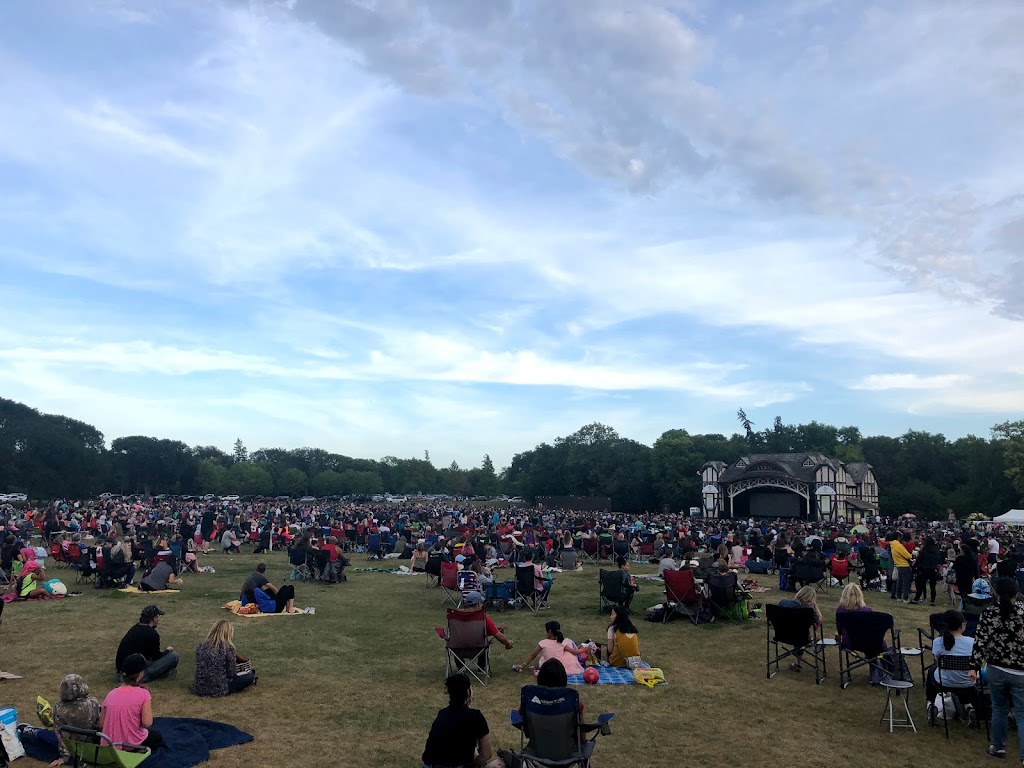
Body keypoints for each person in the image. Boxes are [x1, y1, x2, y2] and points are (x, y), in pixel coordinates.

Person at [970, 577, 1024, 760]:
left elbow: (980, 643)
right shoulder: (1023, 613)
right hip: (1020, 670)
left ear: (995, 592)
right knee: (1021, 714)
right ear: (1016, 594)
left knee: (999, 708)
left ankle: (999, 747)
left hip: (996, 668)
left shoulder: (988, 614)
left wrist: (974, 666)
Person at [421, 672, 498, 768]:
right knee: (499, 764)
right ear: (468, 691)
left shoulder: (442, 714)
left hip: (429, 765)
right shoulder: (475, 716)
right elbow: (486, 754)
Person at [924, 609, 977, 726]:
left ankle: (930, 703)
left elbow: (937, 660)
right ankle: (968, 706)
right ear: (962, 625)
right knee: (961, 678)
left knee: (932, 670)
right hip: (968, 682)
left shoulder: (938, 642)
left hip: (944, 682)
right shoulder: (973, 642)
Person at [101, 653, 165, 750]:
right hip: (131, 744)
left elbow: (102, 723)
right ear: (140, 674)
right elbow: (147, 723)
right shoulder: (144, 694)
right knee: (156, 737)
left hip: (109, 744)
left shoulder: (111, 694)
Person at [192, 619, 256, 697]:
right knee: (249, 677)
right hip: (219, 689)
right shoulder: (228, 648)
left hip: (200, 687)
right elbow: (231, 674)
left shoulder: (201, 646)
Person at [115, 605, 180, 682]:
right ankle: (158, 675)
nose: (158, 620)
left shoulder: (135, 628)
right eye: (157, 617)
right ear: (154, 618)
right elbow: (156, 657)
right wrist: (167, 651)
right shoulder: (152, 634)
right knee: (174, 656)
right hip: (135, 675)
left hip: (121, 671)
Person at [50, 674, 102, 767]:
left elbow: (61, 735)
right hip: (92, 747)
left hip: (73, 748)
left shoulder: (58, 708)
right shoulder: (93, 704)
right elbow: (100, 725)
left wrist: (64, 757)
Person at [514, 620, 583, 676]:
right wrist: (585, 649)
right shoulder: (562, 642)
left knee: (543, 659)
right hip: (558, 666)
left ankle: (536, 669)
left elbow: (533, 656)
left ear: (549, 631)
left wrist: (522, 665)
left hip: (548, 667)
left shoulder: (543, 643)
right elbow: (574, 652)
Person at [779, 586, 823, 671]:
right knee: (802, 637)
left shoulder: (783, 602)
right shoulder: (808, 610)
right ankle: (798, 662)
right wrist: (815, 605)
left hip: (782, 635)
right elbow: (820, 619)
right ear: (811, 599)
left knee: (799, 633)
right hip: (801, 638)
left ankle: (797, 663)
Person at [912, 536, 944, 606]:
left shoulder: (924, 550)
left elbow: (918, 560)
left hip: (923, 569)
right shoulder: (936, 551)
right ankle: (932, 600)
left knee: (920, 585)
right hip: (933, 570)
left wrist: (914, 568)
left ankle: (916, 599)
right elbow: (939, 561)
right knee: (933, 586)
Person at [889, 532, 913, 603]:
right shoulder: (899, 546)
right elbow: (908, 556)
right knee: (906, 582)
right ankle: (905, 598)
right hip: (904, 565)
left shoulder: (893, 545)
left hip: (898, 565)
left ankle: (898, 596)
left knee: (899, 582)